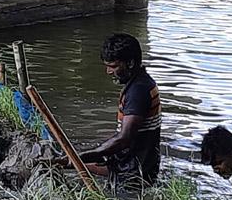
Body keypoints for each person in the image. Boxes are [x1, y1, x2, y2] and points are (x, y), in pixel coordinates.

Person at [66, 33, 161, 191]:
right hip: (136, 166)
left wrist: (91, 154)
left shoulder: (138, 91)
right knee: (74, 162)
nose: (108, 72)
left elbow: (124, 138)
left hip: (131, 175)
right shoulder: (141, 82)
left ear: (130, 63)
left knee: (76, 162)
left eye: (114, 66)